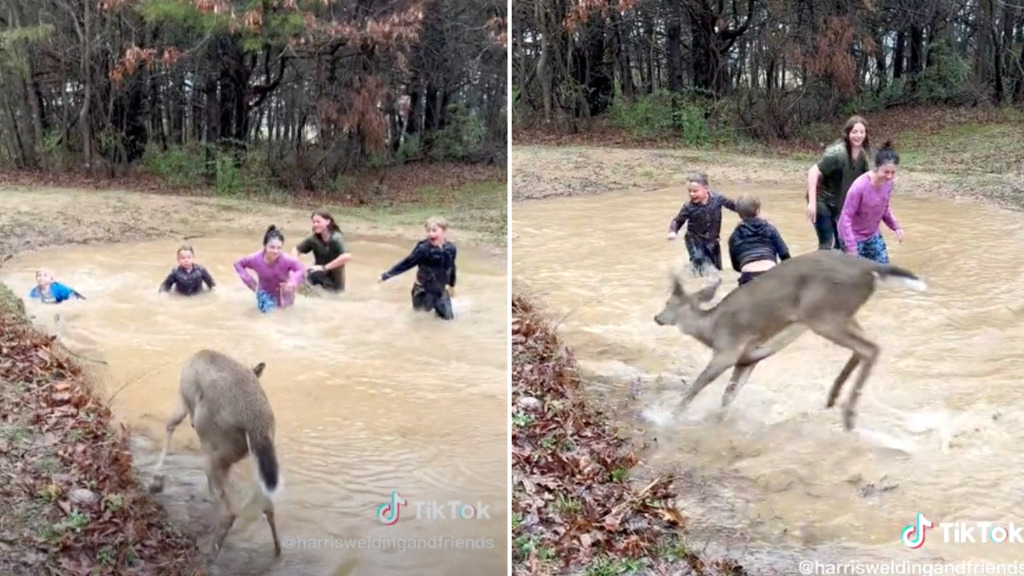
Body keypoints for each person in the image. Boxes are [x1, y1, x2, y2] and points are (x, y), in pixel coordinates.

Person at [805, 115, 873, 251]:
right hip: (821, 201)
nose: (858, 135)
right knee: (827, 244)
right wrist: (812, 203)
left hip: (840, 204)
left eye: (862, 132)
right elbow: (813, 172)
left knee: (843, 244)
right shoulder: (836, 154)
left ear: (866, 134)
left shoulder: (863, 156)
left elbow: (866, 184)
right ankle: (821, 270)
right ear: (847, 134)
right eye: (854, 132)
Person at [838, 140, 905, 264]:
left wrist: (895, 226)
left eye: (893, 172)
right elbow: (846, 217)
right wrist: (851, 246)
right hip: (852, 236)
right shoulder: (859, 186)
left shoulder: (888, 184)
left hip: (872, 235)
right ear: (876, 167)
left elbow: (884, 208)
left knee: (883, 270)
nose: (890, 176)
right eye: (886, 172)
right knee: (856, 276)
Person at [379, 216, 457, 321]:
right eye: (428, 231)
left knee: (448, 320)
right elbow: (407, 263)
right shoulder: (423, 249)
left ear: (444, 231)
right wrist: (386, 275)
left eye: (434, 230)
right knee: (421, 321)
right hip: (422, 291)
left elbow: (451, 267)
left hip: (440, 290)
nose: (430, 234)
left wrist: (452, 285)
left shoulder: (451, 248)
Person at [667, 172, 738, 276]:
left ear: (706, 188)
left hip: (713, 241)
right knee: (699, 262)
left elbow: (734, 206)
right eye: (689, 191)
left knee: (717, 271)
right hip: (694, 240)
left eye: (695, 191)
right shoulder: (688, 207)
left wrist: (748, 212)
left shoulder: (718, 199)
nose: (692, 194)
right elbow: (677, 221)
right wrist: (673, 231)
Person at [233, 225, 306, 313]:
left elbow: (299, 268)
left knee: (287, 315)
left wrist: (293, 281)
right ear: (265, 246)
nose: (276, 251)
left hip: (285, 292)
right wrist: (251, 283)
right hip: (264, 292)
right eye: (272, 247)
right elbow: (238, 264)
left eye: (279, 248)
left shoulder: (286, 259)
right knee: (269, 316)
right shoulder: (255, 259)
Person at [727, 195, 791, 286]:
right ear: (757, 211)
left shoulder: (734, 236)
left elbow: (736, 266)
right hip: (771, 273)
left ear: (739, 214)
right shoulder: (770, 229)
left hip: (748, 276)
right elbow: (785, 255)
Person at [291, 210, 351, 293]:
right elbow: (295, 250)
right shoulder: (313, 238)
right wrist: (299, 267)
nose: (315, 224)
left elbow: (347, 257)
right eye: (313, 222)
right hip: (317, 276)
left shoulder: (336, 238)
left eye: (318, 222)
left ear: (328, 221)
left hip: (335, 282)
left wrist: (324, 268)